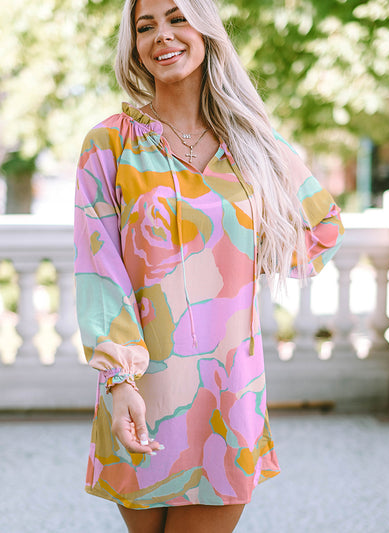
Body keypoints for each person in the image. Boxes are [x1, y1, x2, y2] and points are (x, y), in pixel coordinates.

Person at [74, 0, 344, 531]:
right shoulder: (109, 144)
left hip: (229, 390)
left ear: (206, 30)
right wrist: (119, 382)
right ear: (134, 45)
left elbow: (323, 228)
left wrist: (234, 260)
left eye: (177, 18)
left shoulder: (252, 145)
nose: (162, 35)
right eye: (146, 25)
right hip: (140, 391)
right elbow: (98, 268)